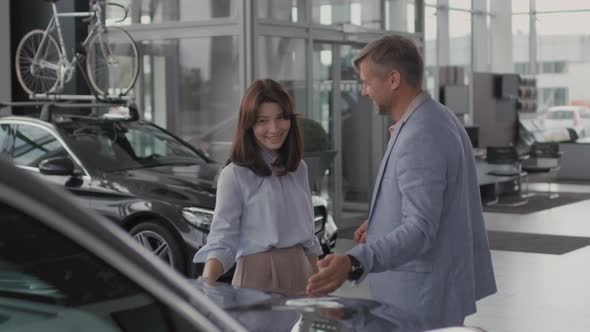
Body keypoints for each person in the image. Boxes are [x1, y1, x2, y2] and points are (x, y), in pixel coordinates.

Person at [306, 35, 497, 327]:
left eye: (368, 82)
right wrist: (383, 222)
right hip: (432, 291)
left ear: (394, 79)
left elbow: (420, 229)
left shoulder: (420, 134)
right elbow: (439, 206)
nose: (364, 92)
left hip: (418, 301)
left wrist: (355, 261)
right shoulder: (439, 117)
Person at [194, 78, 323, 295]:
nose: (274, 128)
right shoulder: (234, 175)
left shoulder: (298, 168)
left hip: (302, 272)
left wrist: (319, 283)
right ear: (249, 125)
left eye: (281, 117)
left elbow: (308, 237)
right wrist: (205, 288)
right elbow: (222, 238)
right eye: (262, 120)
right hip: (258, 276)